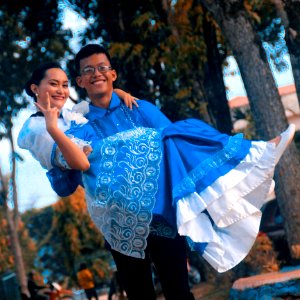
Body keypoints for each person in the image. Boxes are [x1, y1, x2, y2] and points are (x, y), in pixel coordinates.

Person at [24, 44, 295, 300]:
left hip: (162, 216)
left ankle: (251, 151)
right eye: (88, 71)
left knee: (179, 293)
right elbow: (67, 184)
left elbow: (173, 152)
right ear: (80, 82)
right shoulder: (78, 124)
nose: (97, 74)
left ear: (113, 74)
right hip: (120, 225)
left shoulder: (140, 108)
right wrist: (58, 155)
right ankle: (252, 151)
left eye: (102, 68)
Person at [17, 61, 138, 196]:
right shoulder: (36, 130)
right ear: (35, 89)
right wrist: (52, 128)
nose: (61, 90)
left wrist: (117, 92)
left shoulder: (70, 114)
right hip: (112, 187)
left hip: (126, 166)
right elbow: (82, 164)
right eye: (53, 84)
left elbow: (98, 106)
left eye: (64, 85)